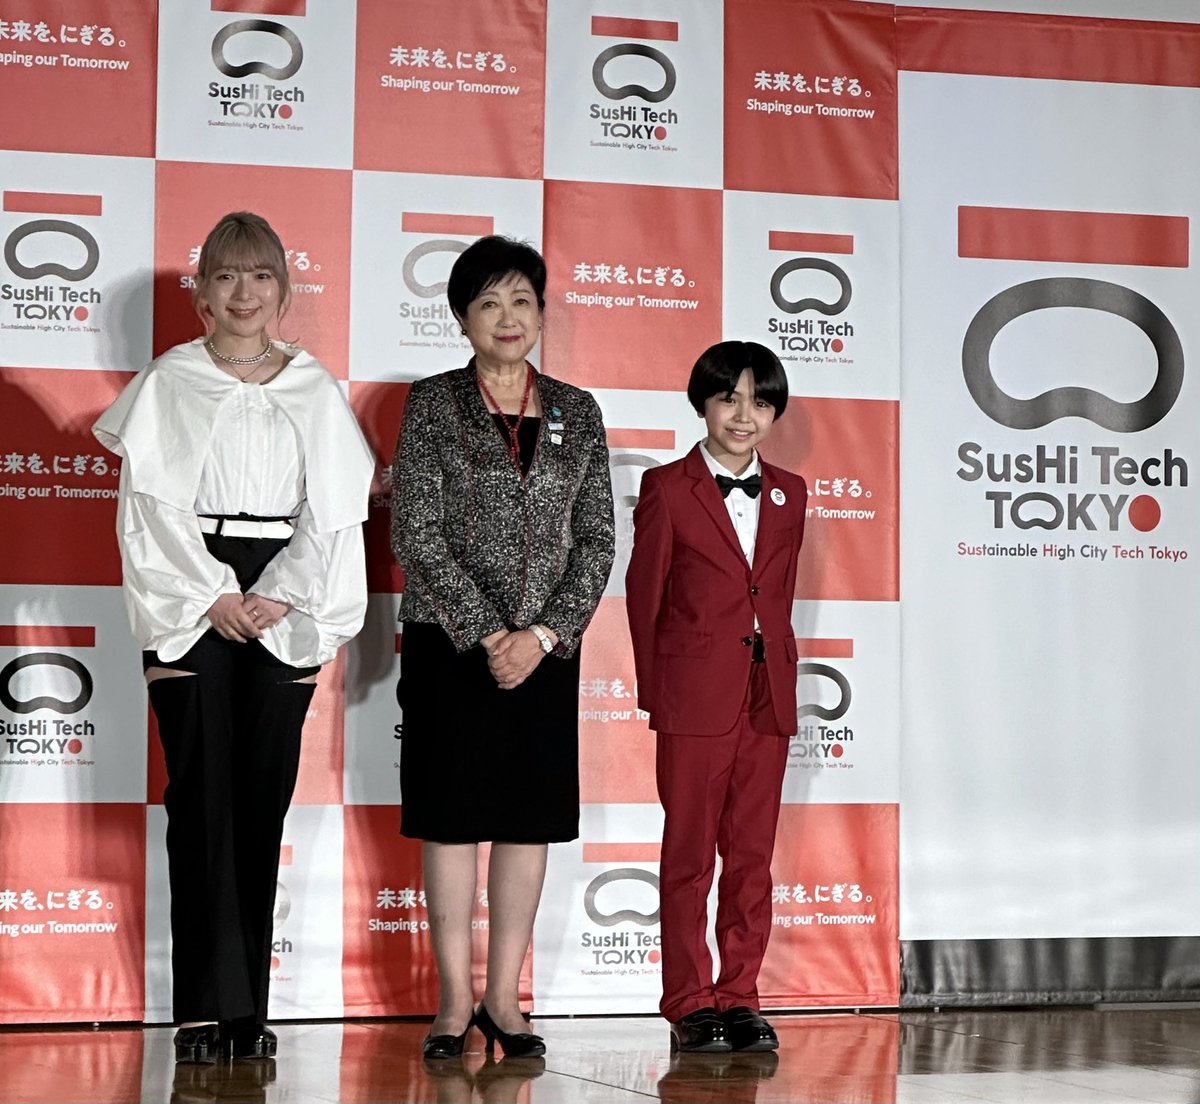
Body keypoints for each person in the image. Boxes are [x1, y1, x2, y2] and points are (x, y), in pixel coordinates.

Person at [93, 212, 374, 1064]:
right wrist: (212, 592)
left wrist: (280, 591)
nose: (243, 292)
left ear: (282, 292)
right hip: (189, 590)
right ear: (201, 295)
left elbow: (336, 512)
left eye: (259, 276)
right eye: (225, 275)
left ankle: (247, 1012)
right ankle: (201, 1009)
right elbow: (148, 509)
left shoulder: (315, 388)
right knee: (200, 799)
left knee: (261, 797)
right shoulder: (169, 382)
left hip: (287, 590)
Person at [390, 235, 614, 1060]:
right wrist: (491, 633)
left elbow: (597, 539)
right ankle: (454, 1002)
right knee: (451, 821)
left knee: (527, 821)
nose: (508, 317)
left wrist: (543, 635)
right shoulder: (431, 404)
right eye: (489, 303)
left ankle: (503, 1000)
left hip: (546, 653)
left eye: (522, 300)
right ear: (462, 318)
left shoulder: (578, 411)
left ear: (542, 312)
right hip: (452, 645)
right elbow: (414, 531)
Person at [625, 341, 808, 1054]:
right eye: (729, 397)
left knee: (752, 857)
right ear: (702, 402)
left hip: (768, 694)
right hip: (694, 697)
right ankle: (688, 1000)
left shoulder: (791, 492)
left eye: (760, 401)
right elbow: (645, 598)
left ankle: (740, 996)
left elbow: (776, 595)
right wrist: (659, 694)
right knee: (690, 854)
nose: (743, 415)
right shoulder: (668, 488)